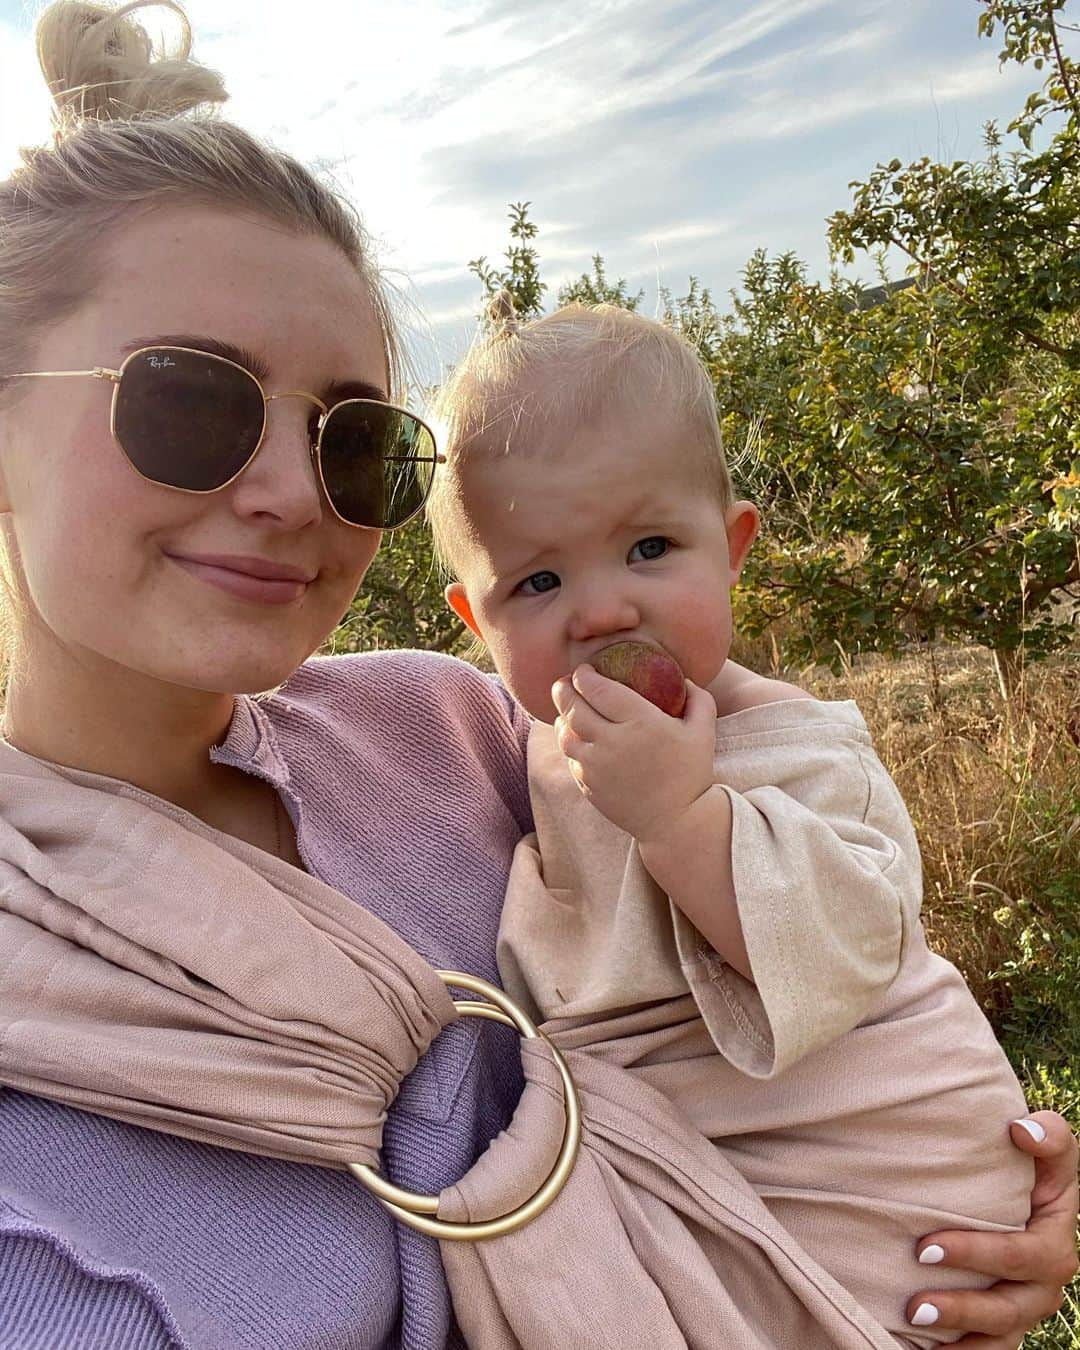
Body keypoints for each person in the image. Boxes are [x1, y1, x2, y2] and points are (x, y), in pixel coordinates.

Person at [0, 4, 1073, 1349]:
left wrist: (943, 1168)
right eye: (189, 401)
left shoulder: (456, 727)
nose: (287, 493)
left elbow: (777, 941)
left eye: (355, 440)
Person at [427, 297, 1080, 1344]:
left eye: (648, 547)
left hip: (856, 1151)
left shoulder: (798, 745)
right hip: (691, 1172)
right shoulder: (526, 751)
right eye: (539, 581)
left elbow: (846, 952)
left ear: (731, 549)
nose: (600, 611)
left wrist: (682, 816)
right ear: (478, 620)